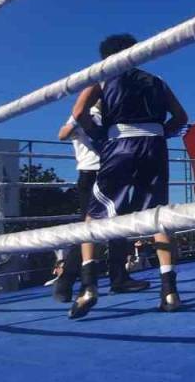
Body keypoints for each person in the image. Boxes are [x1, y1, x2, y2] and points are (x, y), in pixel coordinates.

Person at [67, 34, 188, 319]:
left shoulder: (102, 77)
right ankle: (170, 291)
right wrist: (160, 133)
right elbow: (181, 118)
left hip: (119, 146)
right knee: (158, 216)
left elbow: (78, 112)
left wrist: (99, 135)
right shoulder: (157, 80)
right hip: (155, 146)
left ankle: (88, 287)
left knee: (94, 217)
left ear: (107, 58)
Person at [52, 104, 149, 304]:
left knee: (119, 226)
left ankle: (119, 277)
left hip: (115, 172)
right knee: (91, 229)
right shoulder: (81, 115)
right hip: (91, 174)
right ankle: (67, 280)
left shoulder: (115, 117)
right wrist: (78, 122)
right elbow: (62, 135)